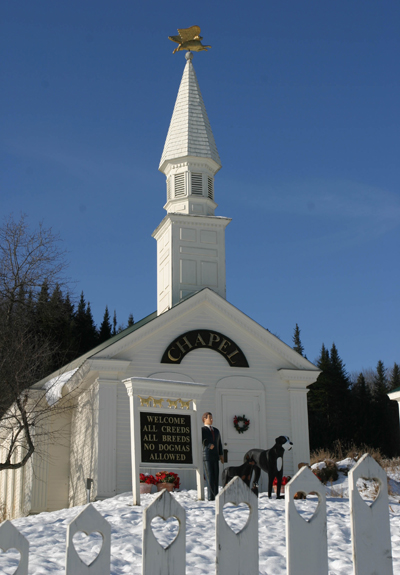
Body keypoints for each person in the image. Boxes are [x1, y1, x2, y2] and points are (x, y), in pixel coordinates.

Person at [202, 412, 224, 501]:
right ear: (204, 419)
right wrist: (208, 445)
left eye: (212, 418)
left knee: (215, 476)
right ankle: (211, 497)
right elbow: (202, 440)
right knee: (209, 476)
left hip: (215, 456)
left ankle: (216, 495)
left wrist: (221, 454)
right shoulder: (202, 430)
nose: (211, 420)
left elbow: (219, 443)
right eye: (209, 418)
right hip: (207, 456)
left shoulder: (216, 430)